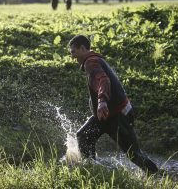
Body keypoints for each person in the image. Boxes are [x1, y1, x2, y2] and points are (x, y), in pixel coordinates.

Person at [68, 35, 159, 174]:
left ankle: (158, 176)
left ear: (82, 48)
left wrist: (102, 101)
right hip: (106, 115)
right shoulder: (95, 60)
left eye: (73, 52)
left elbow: (103, 81)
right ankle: (92, 170)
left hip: (116, 116)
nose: (72, 56)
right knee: (83, 136)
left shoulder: (90, 62)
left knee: (134, 155)